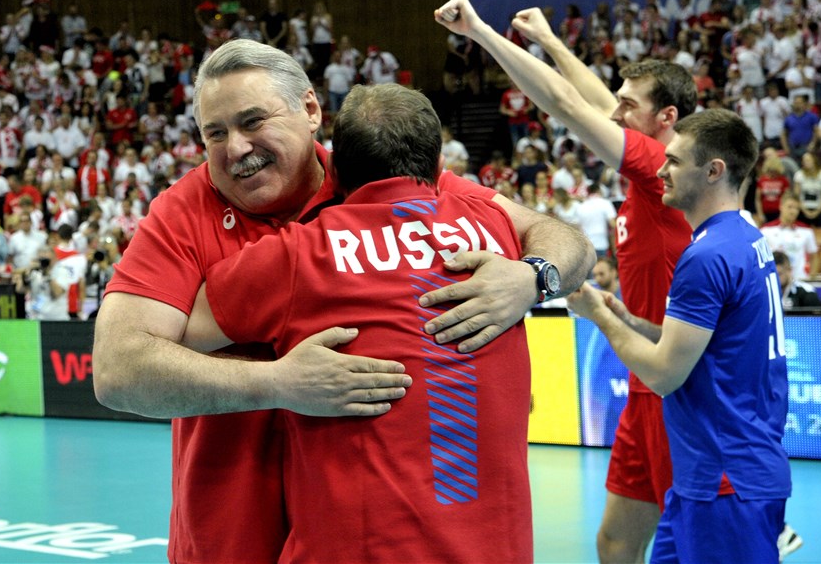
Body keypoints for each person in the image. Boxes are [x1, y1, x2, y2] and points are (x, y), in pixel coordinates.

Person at [92, 39, 594, 563]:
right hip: (228, 540)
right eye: (214, 133)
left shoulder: (374, 173)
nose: (235, 147)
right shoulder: (181, 213)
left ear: (311, 110)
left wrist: (533, 277)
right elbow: (118, 371)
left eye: (253, 121)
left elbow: (561, 238)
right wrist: (278, 383)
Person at [185, 83, 536, 562]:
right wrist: (536, 276)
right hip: (500, 548)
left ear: (337, 173)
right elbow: (561, 237)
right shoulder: (496, 228)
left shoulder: (299, 254)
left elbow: (181, 330)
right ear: (438, 168)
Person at [434, 0, 695, 564]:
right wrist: (550, 42)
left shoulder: (662, 171)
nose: (616, 114)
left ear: (665, 119)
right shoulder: (647, 167)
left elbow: (566, 103)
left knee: (691, 544)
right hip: (643, 384)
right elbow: (594, 101)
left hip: (679, 386)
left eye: (629, 107)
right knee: (615, 543)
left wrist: (479, 29)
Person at [567, 109, 791, 563]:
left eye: (674, 161)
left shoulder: (706, 255)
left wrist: (598, 317)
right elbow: (706, 344)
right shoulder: (744, 235)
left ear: (713, 171)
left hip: (725, 480)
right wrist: (629, 319)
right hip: (708, 476)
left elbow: (664, 375)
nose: (661, 170)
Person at [761, 195, 820, 282]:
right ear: (781, 206)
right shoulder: (766, 230)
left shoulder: (806, 231)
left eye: (796, 208)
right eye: (790, 207)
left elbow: (814, 256)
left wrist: (811, 277)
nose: (793, 211)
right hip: (774, 280)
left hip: (800, 280)